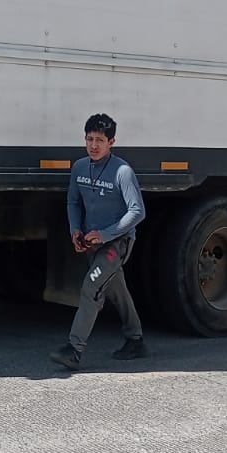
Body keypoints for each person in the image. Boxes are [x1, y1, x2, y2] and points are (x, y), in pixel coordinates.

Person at [50, 113, 147, 370]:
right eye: (89, 139)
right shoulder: (80, 167)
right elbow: (73, 201)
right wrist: (75, 230)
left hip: (117, 244)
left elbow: (137, 212)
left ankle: (74, 350)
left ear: (111, 142)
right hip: (91, 243)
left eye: (100, 140)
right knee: (117, 288)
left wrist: (105, 235)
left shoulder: (122, 172)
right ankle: (135, 339)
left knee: (91, 287)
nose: (93, 145)